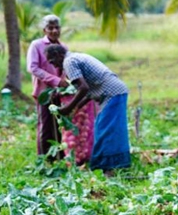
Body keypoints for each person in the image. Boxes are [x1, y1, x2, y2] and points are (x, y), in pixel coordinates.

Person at [45, 45, 131, 174]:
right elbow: (88, 90)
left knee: (106, 131)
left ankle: (109, 169)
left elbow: (83, 88)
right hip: (113, 92)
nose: (55, 66)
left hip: (112, 93)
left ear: (58, 55)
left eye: (52, 61)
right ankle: (110, 167)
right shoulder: (75, 57)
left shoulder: (69, 61)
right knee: (105, 129)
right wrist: (77, 107)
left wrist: (69, 107)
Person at [27, 14, 69, 160]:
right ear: (44, 30)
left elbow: (66, 69)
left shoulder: (64, 47)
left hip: (61, 92)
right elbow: (33, 68)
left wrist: (63, 85)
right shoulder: (36, 45)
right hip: (44, 92)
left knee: (60, 124)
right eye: (50, 28)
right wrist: (55, 81)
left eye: (57, 27)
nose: (54, 31)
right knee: (45, 125)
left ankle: (61, 156)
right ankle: (44, 159)